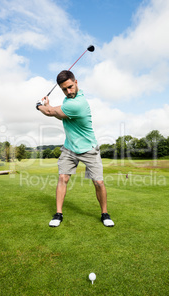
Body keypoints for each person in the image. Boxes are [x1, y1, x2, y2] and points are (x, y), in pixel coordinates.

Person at [36, 70, 114, 228]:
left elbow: (51, 113)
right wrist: (48, 106)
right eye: (64, 89)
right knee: (62, 179)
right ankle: (58, 213)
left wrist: (39, 106)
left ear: (76, 82)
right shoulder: (68, 102)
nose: (68, 91)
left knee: (98, 182)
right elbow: (58, 113)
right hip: (70, 148)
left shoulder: (79, 103)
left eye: (71, 87)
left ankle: (104, 213)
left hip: (88, 148)